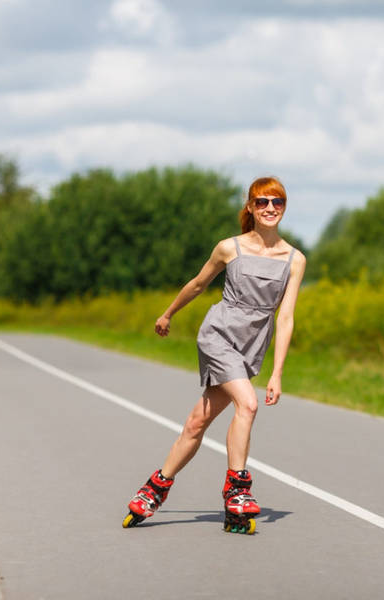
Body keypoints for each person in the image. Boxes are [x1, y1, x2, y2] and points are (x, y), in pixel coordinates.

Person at [122, 176, 306, 534]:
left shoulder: (294, 259)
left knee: (196, 423)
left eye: (277, 202)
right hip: (218, 334)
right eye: (262, 202)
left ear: (284, 207)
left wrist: (277, 372)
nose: (270, 208)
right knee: (247, 404)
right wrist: (168, 313)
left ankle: (154, 488)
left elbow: (285, 317)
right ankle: (237, 489)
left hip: (251, 344)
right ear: (250, 207)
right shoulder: (230, 247)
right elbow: (197, 284)